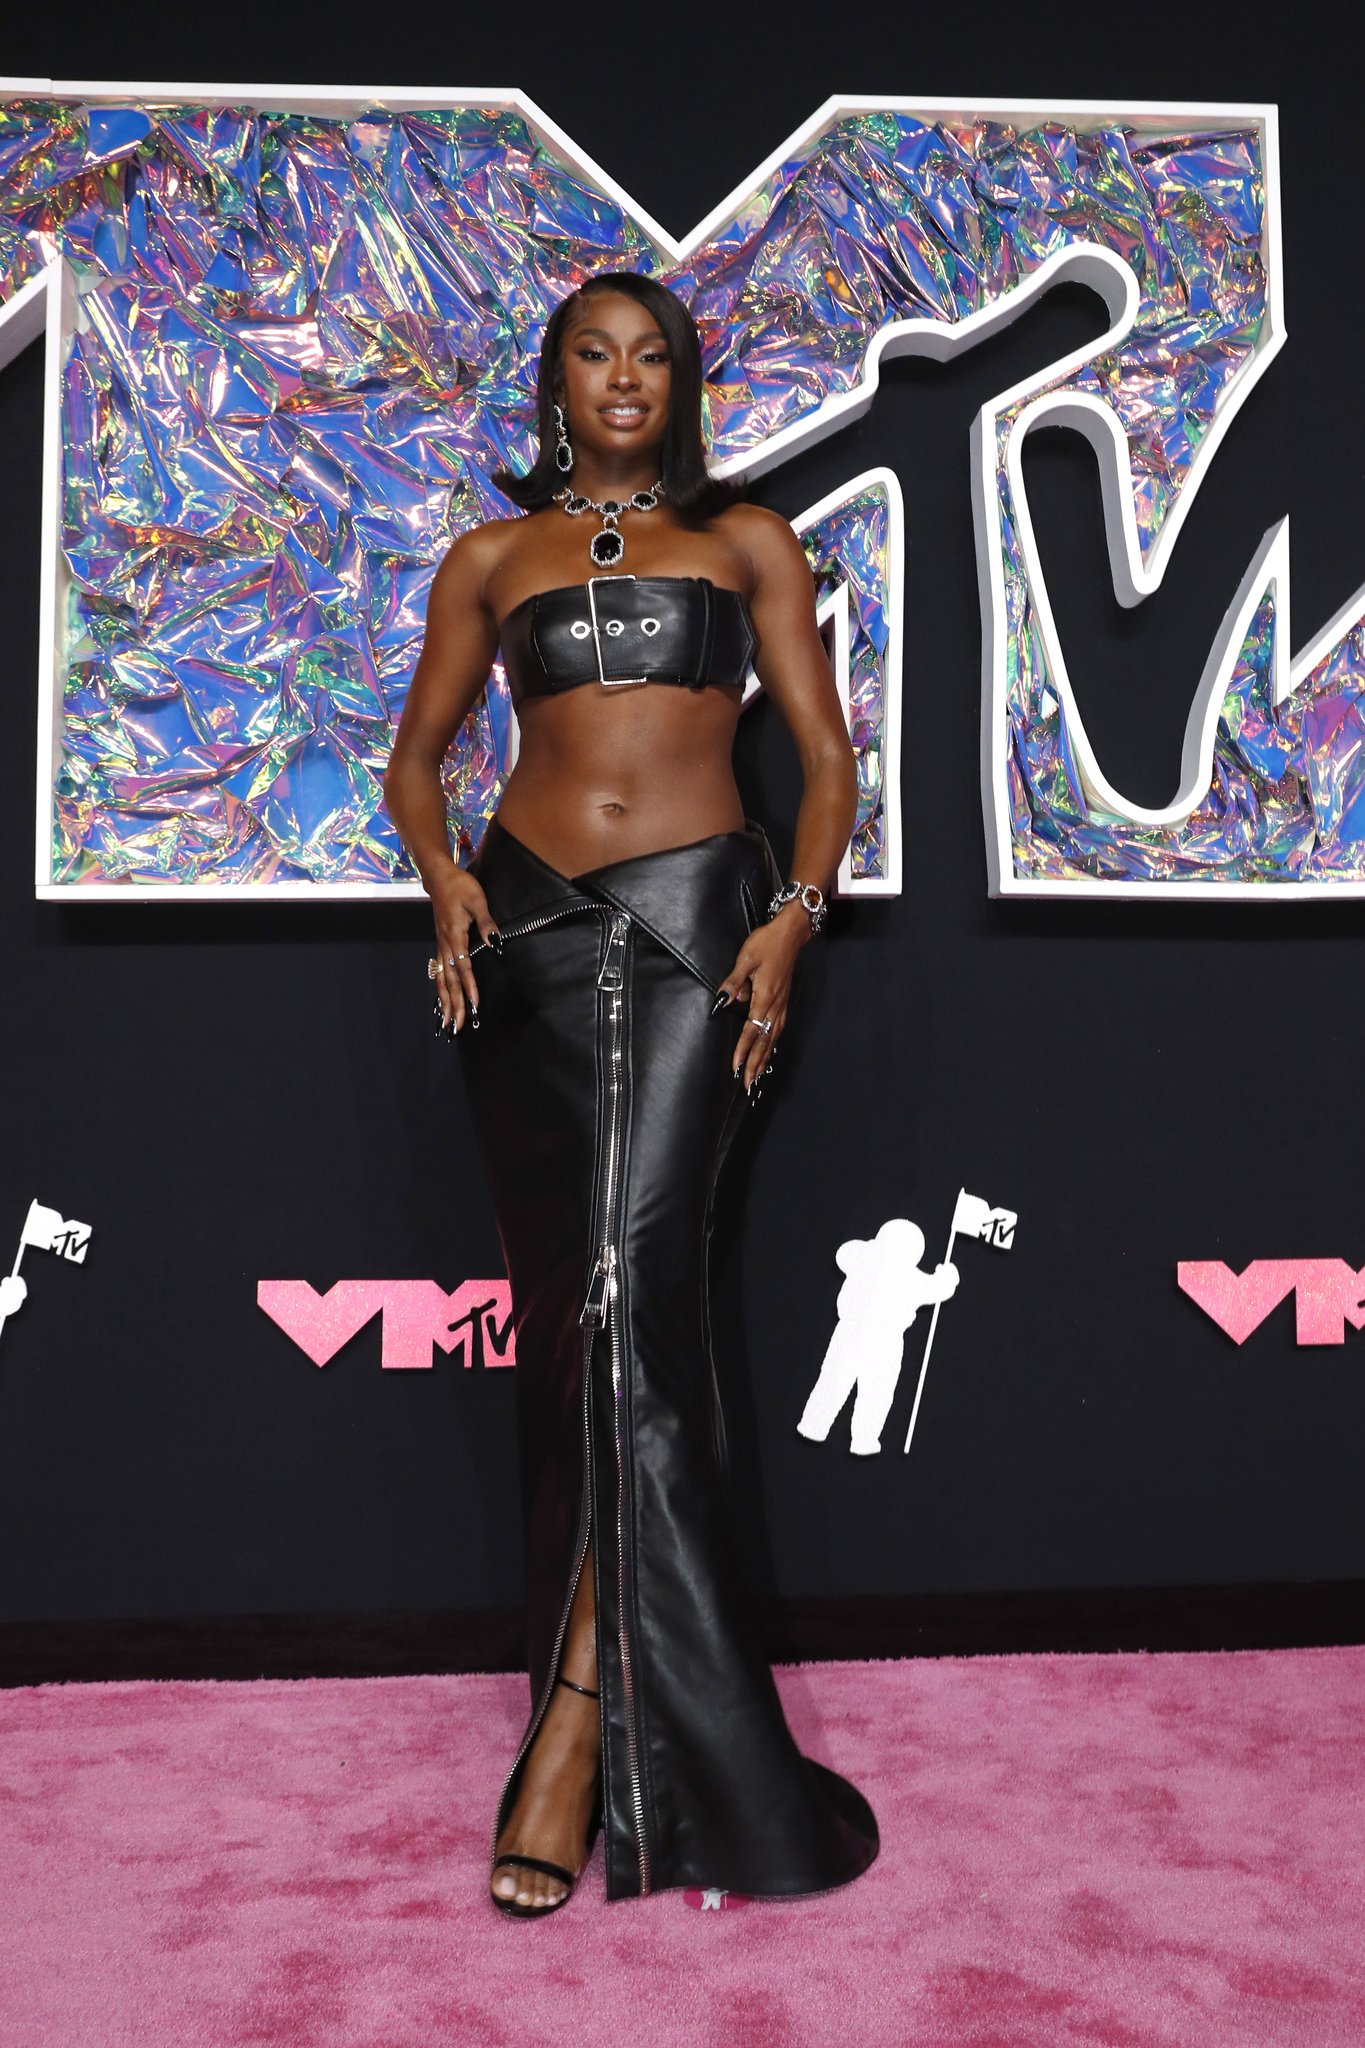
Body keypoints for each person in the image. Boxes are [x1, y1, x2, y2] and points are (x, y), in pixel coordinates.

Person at [382, 270, 879, 1915]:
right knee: (574, 1315)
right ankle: (593, 1703)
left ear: (680, 386)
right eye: (591, 354)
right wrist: (443, 878)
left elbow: (824, 760)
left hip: (692, 932)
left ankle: (578, 1727)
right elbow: (412, 760)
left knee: (629, 1289)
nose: (620, 377)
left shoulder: (748, 543)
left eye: (649, 356)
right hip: (522, 940)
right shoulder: (489, 557)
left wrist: (791, 921)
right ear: (554, 385)